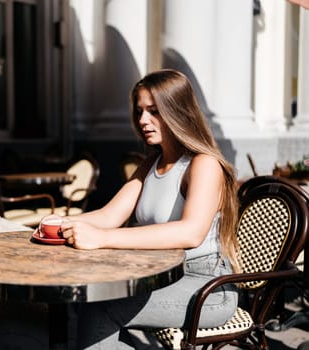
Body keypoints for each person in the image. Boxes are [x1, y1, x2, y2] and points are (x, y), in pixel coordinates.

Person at [41, 69, 240, 349]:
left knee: (102, 307)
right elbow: (110, 215)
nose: (143, 120)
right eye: (140, 111)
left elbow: (191, 233)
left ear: (177, 111)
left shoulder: (203, 164)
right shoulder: (151, 163)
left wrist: (103, 239)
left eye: (154, 111)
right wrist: (61, 222)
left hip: (206, 287)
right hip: (159, 275)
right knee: (91, 300)